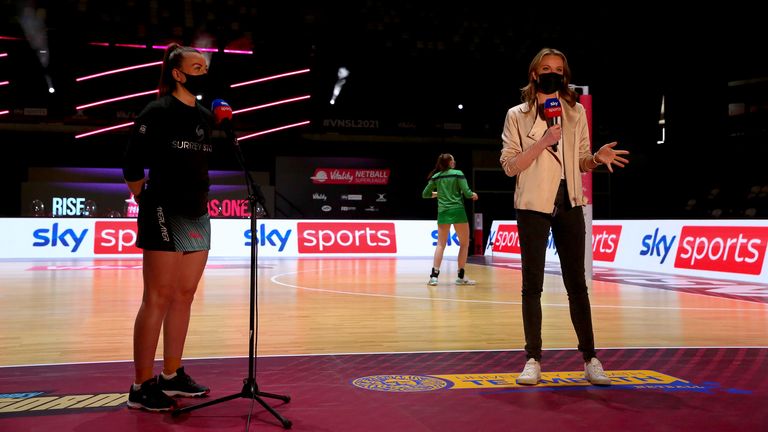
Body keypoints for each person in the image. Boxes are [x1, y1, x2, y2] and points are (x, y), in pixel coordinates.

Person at [499, 48, 629, 386]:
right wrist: (543, 141)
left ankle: (590, 358)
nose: (553, 73)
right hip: (532, 205)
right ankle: (532, 359)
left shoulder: (574, 113)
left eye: (558, 69)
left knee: (577, 286)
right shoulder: (517, 115)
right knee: (532, 286)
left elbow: (582, 160)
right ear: (534, 74)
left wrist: (596, 159)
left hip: (570, 202)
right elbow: (510, 165)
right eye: (546, 68)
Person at [122, 43, 216, 411]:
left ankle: (172, 375)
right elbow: (132, 162)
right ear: (178, 74)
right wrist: (144, 195)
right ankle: (141, 385)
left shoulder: (207, 117)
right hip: (163, 208)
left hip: (198, 211)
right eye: (196, 67)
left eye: (204, 67)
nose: (202, 73)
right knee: (157, 297)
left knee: (185, 294)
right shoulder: (157, 111)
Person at [422, 153, 479, 286]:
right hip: (458, 211)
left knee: (440, 244)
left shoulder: (436, 177)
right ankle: (460, 276)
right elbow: (466, 192)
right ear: (450, 163)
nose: (454, 162)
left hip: (443, 212)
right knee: (464, 244)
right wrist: (473, 195)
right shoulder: (458, 173)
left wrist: (438, 193)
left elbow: (425, 194)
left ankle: (434, 276)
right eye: (453, 160)